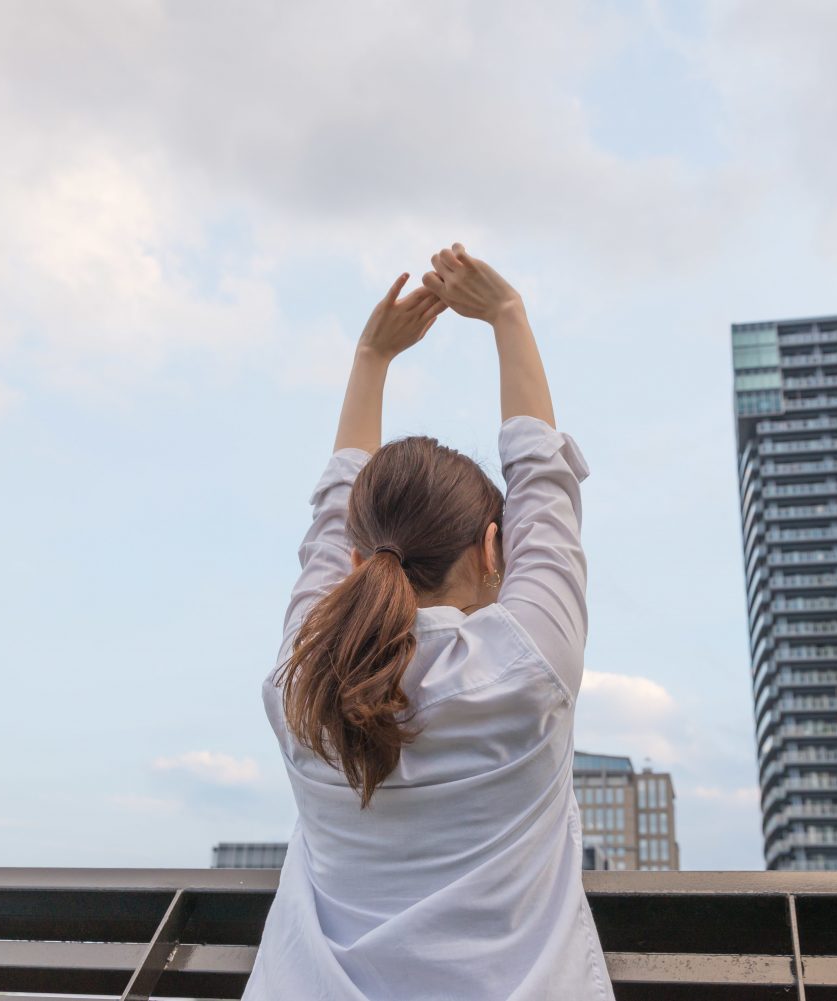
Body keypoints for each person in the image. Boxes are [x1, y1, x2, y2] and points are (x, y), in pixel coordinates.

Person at [245, 244, 612, 1000]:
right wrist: (507, 315)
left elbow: (331, 520)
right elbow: (546, 486)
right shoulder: (528, 664)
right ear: (492, 549)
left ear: (352, 564)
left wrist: (371, 357)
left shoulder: (300, 684)